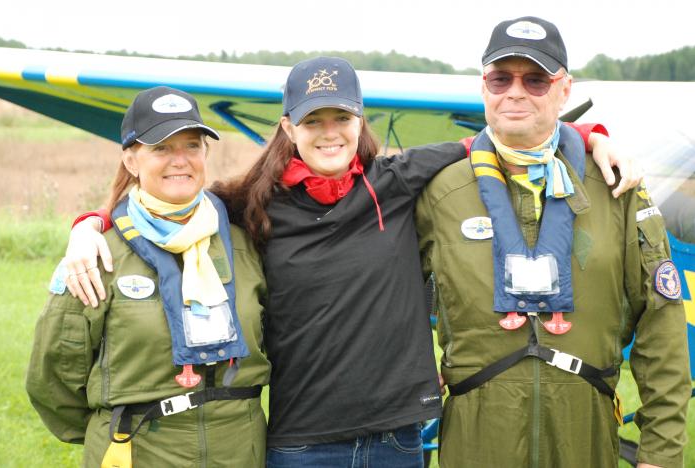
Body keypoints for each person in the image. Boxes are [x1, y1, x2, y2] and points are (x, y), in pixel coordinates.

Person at [61, 58, 639, 467]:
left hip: (398, 440)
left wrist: (587, 136)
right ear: (289, 128)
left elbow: (512, 137)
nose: (330, 132)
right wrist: (92, 224)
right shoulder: (250, 204)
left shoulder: (402, 180)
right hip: (301, 443)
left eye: (341, 117)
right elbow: (171, 202)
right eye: (313, 120)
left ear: (361, 120)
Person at [416, 16, 691, 468]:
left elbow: (660, 326)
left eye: (536, 80)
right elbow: (390, 301)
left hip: (585, 431)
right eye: (501, 78)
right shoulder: (439, 191)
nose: (516, 92)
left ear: (565, 89)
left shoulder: (616, 188)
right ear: (483, 86)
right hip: (477, 435)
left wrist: (660, 453)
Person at [26, 86, 270, 467]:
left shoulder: (245, 240)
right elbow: (53, 375)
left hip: (239, 451)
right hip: (138, 449)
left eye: (192, 145)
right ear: (131, 160)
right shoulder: (98, 252)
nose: (180, 160)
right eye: (161, 148)